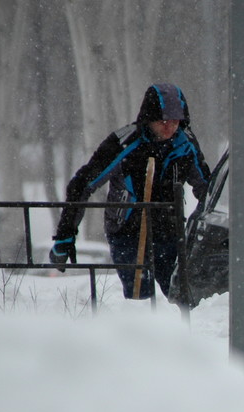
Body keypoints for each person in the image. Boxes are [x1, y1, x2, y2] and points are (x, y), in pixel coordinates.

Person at [49, 83, 211, 299]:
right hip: (127, 232)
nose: (169, 127)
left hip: (169, 233)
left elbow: (206, 189)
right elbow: (82, 185)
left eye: (175, 121)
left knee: (178, 297)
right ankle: (139, 329)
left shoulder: (186, 143)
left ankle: (177, 332)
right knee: (140, 297)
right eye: (162, 120)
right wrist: (65, 236)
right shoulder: (123, 143)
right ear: (148, 118)